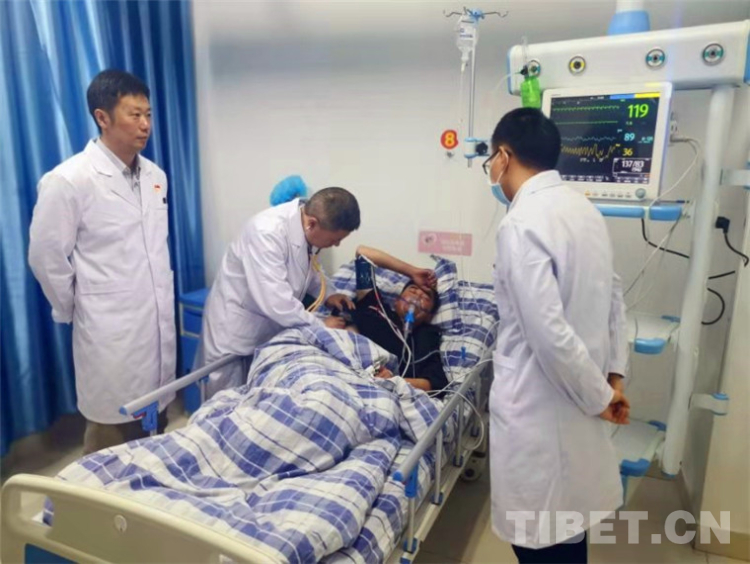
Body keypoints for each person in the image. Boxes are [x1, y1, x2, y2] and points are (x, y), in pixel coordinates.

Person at [485, 108, 630, 563]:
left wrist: (600, 397)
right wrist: (613, 376)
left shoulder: (521, 223)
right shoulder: (583, 209)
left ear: (504, 156)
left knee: (541, 539)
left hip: (541, 406)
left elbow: (548, 334)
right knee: (568, 530)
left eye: (489, 160)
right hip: (581, 394)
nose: (490, 170)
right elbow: (614, 297)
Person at [28, 69, 174, 454]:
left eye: (148, 114)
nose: (145, 125)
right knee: (110, 443)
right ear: (102, 117)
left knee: (154, 434)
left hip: (155, 327)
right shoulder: (69, 180)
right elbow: (45, 256)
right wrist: (74, 305)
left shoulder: (155, 176)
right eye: (134, 114)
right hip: (110, 333)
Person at [199, 188, 360, 394]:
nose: (336, 245)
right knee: (224, 400)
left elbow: (310, 270)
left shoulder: (305, 229)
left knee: (254, 399)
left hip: (268, 330)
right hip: (235, 331)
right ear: (312, 224)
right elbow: (278, 302)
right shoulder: (265, 233)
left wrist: (329, 293)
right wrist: (321, 326)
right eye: (334, 240)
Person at [338, 246, 447, 393]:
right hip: (344, 366)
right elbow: (363, 253)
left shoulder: (426, 338)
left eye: (425, 297)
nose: (417, 296)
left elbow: (434, 384)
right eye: (413, 290)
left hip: (377, 389)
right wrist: (412, 272)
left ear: (429, 315)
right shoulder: (374, 305)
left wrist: (394, 381)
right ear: (396, 300)